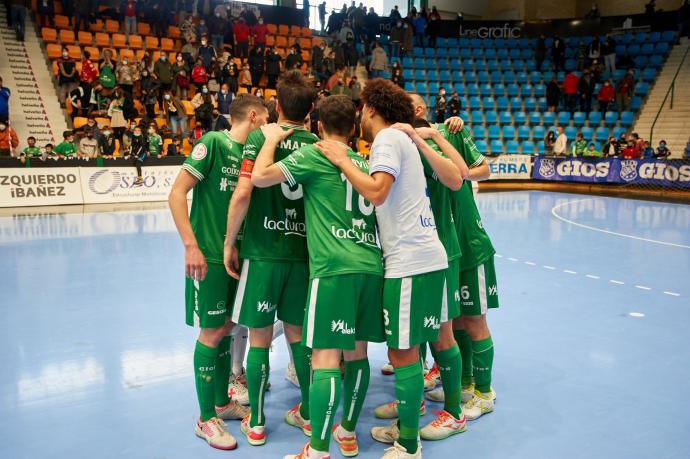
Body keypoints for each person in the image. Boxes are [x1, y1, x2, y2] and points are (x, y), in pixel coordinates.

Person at [315, 79, 463, 459]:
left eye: (363, 109)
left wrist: (342, 158)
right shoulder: (403, 141)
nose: (360, 116)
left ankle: (409, 445)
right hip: (429, 255)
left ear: (372, 110)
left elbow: (377, 191)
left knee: (402, 354)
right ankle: (420, 423)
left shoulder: (385, 140)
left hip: (409, 261)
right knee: (426, 343)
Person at [250, 95, 385, 459]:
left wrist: (271, 139)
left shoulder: (316, 154)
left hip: (333, 268)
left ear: (319, 126)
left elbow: (260, 178)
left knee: (325, 358)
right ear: (354, 127)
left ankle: (318, 450)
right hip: (371, 265)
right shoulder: (364, 161)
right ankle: (349, 434)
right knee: (357, 354)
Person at [223, 71, 319, 448]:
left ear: (277, 106)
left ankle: (258, 423)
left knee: (260, 338)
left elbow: (244, 193)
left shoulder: (261, 138)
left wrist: (230, 242)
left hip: (262, 253)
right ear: (311, 109)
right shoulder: (319, 143)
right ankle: (310, 414)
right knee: (299, 338)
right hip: (303, 255)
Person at [168, 94, 267, 451]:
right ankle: (204, 418)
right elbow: (177, 194)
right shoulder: (212, 142)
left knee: (227, 327)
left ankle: (223, 403)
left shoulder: (252, 156)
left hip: (237, 258)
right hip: (209, 254)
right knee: (211, 331)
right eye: (265, 121)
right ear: (253, 117)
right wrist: (191, 245)